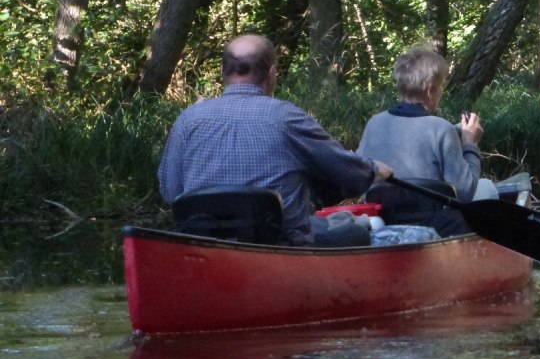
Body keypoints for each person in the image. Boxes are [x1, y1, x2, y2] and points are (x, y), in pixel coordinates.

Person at [158, 34, 392, 246]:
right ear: (271, 73)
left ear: (223, 71)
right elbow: (348, 171)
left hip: (205, 246)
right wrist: (374, 170)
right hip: (280, 245)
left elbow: (170, 191)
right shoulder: (287, 118)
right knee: (358, 233)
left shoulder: (188, 119)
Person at [357, 45, 494, 234]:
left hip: (384, 219)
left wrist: (455, 134)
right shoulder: (441, 129)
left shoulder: (374, 124)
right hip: (434, 223)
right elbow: (465, 192)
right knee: (488, 189)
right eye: (441, 87)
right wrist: (469, 144)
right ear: (430, 90)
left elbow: (358, 177)